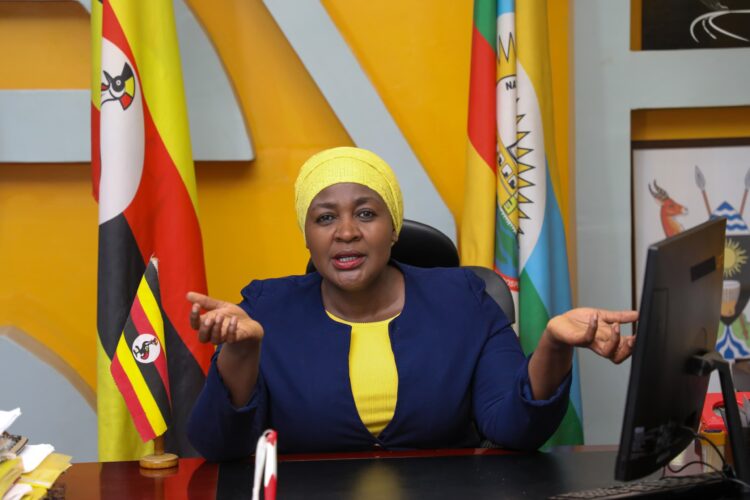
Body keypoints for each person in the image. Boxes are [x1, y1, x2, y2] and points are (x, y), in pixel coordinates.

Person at [186, 147, 637, 461]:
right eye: (325, 218)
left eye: (366, 213)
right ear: (307, 236)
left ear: (394, 227)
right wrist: (240, 355)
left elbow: (515, 430)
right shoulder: (265, 310)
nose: (346, 232)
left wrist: (554, 345)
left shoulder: (464, 300)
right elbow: (220, 449)